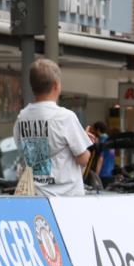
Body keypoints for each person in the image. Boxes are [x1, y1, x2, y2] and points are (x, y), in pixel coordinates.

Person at [13, 58, 97, 196]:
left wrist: (79, 138)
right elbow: (83, 159)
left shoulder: (22, 118)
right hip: (66, 199)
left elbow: (27, 151)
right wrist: (85, 143)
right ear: (57, 86)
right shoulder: (65, 117)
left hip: (35, 195)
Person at [92, 121, 115, 187]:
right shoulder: (110, 140)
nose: (93, 131)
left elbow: (101, 159)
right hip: (110, 173)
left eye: (94, 129)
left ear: (98, 129)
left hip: (103, 174)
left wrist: (96, 176)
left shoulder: (102, 141)